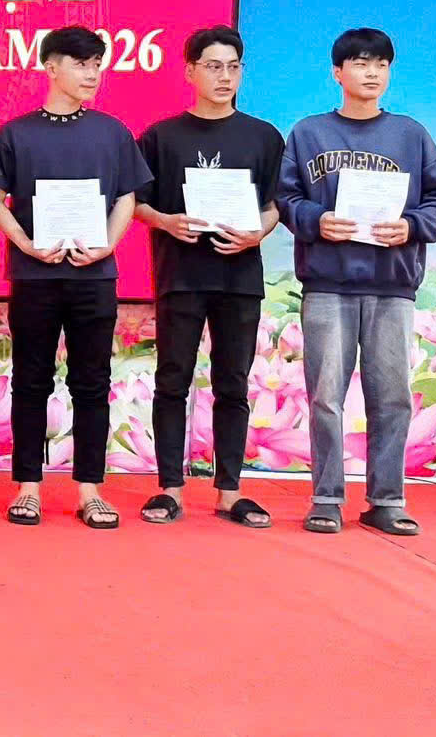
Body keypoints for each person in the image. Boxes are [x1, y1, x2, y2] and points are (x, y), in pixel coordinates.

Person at [278, 27, 436, 537]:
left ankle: (387, 499)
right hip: (327, 284)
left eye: (381, 64)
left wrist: (412, 226)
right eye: (360, 63)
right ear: (337, 73)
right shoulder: (309, 133)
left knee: (393, 397)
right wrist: (316, 220)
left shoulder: (410, 134)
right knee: (324, 397)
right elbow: (284, 199)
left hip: (391, 285)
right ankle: (326, 498)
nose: (372, 73)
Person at [0, 25, 152, 529]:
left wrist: (108, 243)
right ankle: (28, 488)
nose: (91, 74)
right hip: (34, 276)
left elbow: (127, 196)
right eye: (80, 64)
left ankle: (90, 491)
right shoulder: (16, 133)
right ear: (51, 67)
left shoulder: (112, 132)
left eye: (97, 64)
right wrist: (25, 243)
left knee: (92, 382)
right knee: (30, 380)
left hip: (93, 275)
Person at [132, 26, 282, 528]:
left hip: (240, 277)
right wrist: (165, 221)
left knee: (233, 383)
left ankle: (229, 492)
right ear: (190, 71)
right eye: (213, 66)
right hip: (181, 274)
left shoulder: (263, 136)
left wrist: (257, 233)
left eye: (233, 67)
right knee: (172, 379)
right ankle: (169, 489)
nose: (224, 77)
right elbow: (135, 203)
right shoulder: (161, 137)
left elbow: (276, 204)